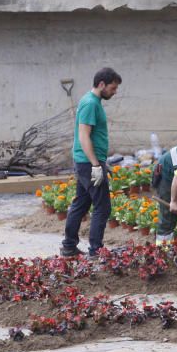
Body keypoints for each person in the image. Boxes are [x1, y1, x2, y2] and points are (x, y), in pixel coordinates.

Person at [61, 68, 122, 257]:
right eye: (113, 88)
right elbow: (84, 136)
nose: (115, 92)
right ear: (102, 84)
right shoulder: (90, 104)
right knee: (103, 206)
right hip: (88, 163)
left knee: (81, 203)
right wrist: (96, 165)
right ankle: (96, 250)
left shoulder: (93, 101)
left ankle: (69, 247)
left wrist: (103, 162)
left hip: (87, 161)